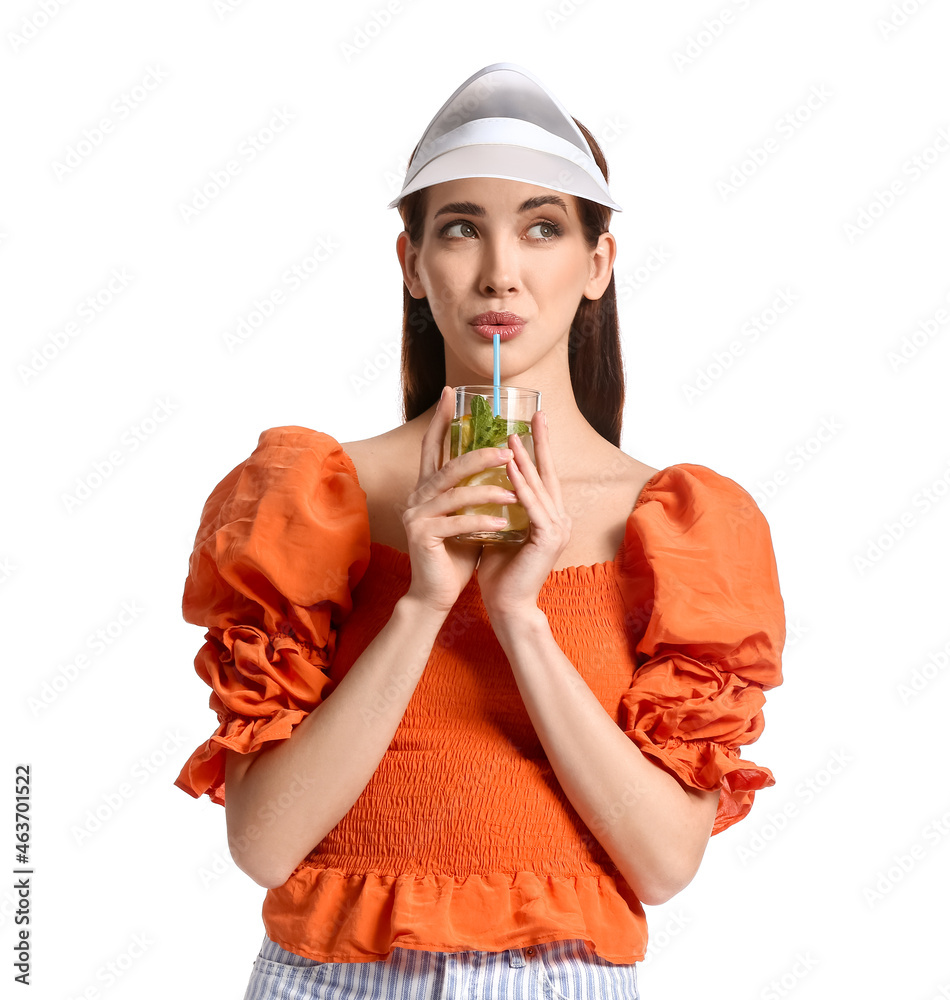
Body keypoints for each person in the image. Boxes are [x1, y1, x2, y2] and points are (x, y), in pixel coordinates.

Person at [174, 63, 785, 1000]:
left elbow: (664, 866)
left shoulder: (677, 525)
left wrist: (520, 617)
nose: (501, 270)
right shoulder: (314, 497)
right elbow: (262, 843)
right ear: (412, 265)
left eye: (543, 228)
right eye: (461, 227)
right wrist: (422, 601)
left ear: (597, 265)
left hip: (564, 981)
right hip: (331, 979)